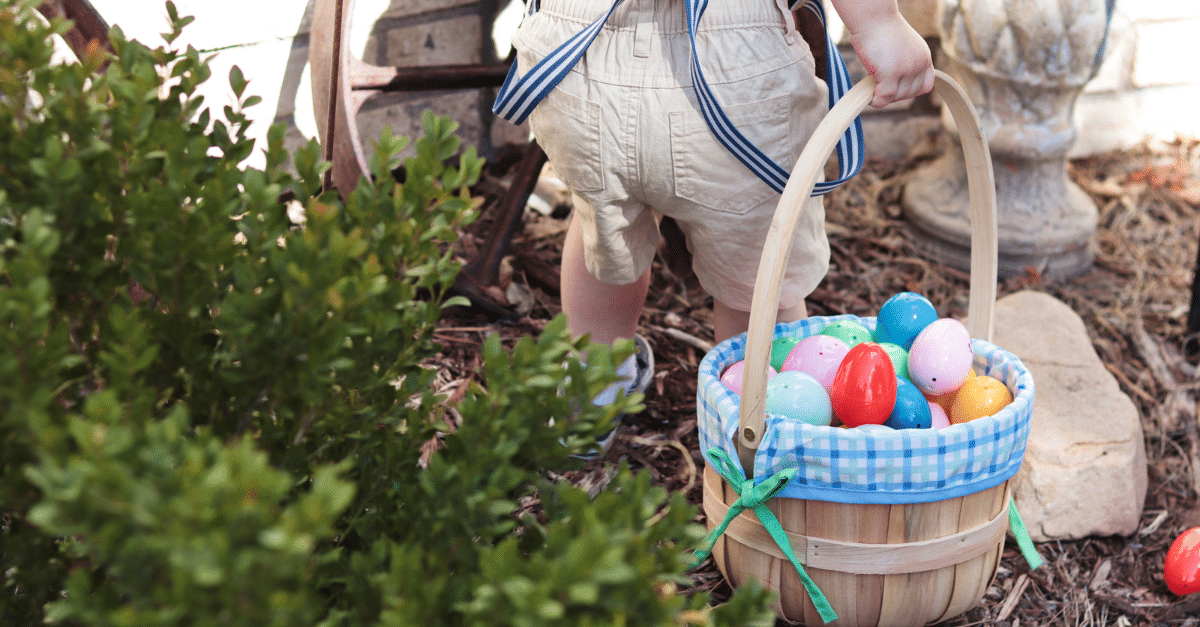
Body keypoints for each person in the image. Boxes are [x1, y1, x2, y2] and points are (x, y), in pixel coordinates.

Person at [496, 0, 933, 449]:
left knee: (602, 236)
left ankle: (592, 392)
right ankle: (757, 427)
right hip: (733, 62)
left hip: (580, 51)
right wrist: (877, 22)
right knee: (757, 274)